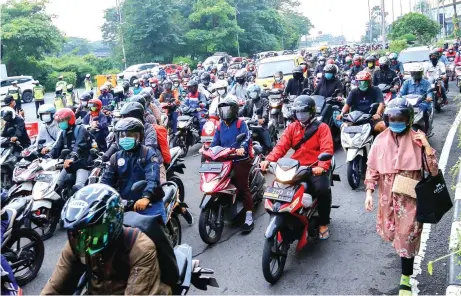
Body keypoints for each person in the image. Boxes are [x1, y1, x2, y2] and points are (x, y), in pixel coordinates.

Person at [364, 98, 438, 296]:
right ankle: (404, 261)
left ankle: (405, 278)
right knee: (393, 233)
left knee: (408, 236)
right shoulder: (380, 141)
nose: (396, 122)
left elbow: (433, 171)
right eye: (392, 118)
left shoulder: (417, 139)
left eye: (401, 119)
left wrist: (427, 146)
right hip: (388, 198)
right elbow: (373, 168)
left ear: (409, 120)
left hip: (409, 199)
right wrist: (370, 192)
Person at [41, 184, 172, 295]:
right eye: (77, 233)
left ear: (113, 224)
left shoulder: (140, 248)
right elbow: (55, 287)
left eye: (93, 232)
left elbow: (136, 292)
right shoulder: (76, 243)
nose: (84, 240)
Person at [260, 96, 334, 239]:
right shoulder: (292, 127)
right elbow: (281, 146)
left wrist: (322, 166)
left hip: (314, 167)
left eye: (304, 113)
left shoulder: (322, 128)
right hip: (296, 167)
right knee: (279, 187)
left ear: (312, 112)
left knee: (322, 190)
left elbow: (327, 148)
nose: (300, 116)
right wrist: (268, 160)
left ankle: (323, 223)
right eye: (298, 113)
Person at [101, 118, 167, 222]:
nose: (126, 138)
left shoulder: (148, 154)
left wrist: (146, 196)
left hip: (148, 203)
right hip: (124, 204)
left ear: (140, 136)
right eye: (122, 135)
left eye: (131, 135)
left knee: (157, 232)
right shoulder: (115, 157)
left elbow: (153, 178)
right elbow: (106, 180)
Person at [210, 96, 254, 232]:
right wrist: (208, 150)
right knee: (216, 183)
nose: (225, 112)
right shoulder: (220, 126)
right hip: (224, 160)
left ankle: (249, 217)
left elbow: (246, 137)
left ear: (234, 110)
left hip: (239, 159)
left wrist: (242, 148)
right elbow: (215, 143)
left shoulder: (241, 124)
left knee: (243, 188)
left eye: (227, 109)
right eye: (222, 109)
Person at [46, 108, 91, 192]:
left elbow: (79, 146)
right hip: (69, 164)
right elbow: (57, 148)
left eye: (62, 120)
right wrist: (47, 156)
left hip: (83, 163)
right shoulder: (64, 133)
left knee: (79, 189)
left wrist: (72, 157)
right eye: (59, 121)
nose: (60, 123)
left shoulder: (81, 129)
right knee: (55, 187)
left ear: (70, 119)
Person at [399, 63, 434, 130]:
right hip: (408, 104)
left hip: (422, 103)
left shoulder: (426, 83)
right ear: (411, 73)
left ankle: (426, 129)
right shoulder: (406, 82)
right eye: (414, 73)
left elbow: (429, 92)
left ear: (421, 73)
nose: (416, 74)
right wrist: (398, 98)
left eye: (417, 73)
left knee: (425, 110)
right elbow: (401, 93)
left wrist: (429, 98)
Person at [239, 85, 273, 154]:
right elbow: (240, 112)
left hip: (260, 126)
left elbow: (265, 111)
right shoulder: (248, 102)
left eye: (254, 92)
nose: (252, 94)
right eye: (251, 92)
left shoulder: (264, 101)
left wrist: (263, 119)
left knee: (268, 145)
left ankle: (269, 156)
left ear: (258, 92)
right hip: (249, 126)